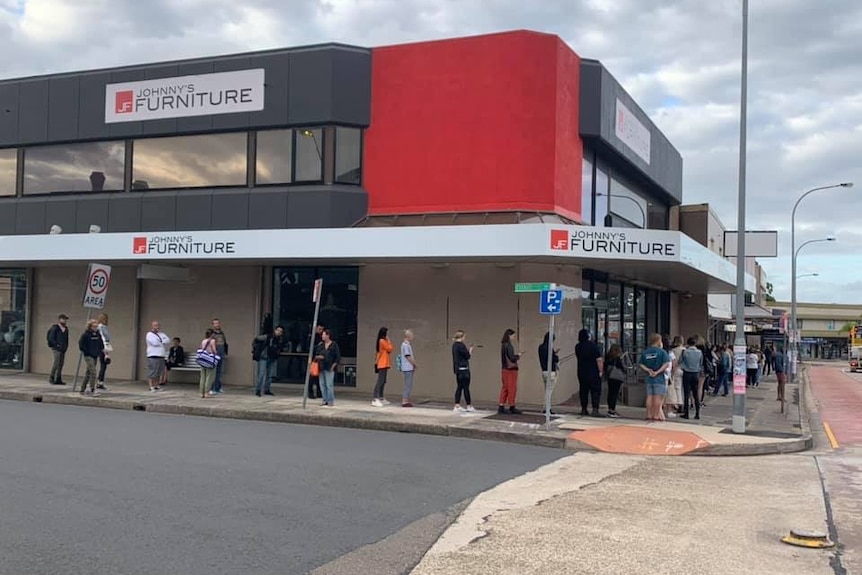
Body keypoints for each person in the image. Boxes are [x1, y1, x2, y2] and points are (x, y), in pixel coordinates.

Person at [639, 333, 671, 422]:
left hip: (649, 377)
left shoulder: (646, 352)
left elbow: (641, 364)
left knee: (649, 396)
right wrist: (657, 372)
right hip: (659, 378)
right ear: (658, 341)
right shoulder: (662, 352)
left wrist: (649, 370)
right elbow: (666, 364)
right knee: (658, 398)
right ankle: (656, 415)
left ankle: (648, 414)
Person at [575, 328, 602, 417]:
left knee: (583, 390)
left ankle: (584, 409)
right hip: (593, 372)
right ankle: (595, 409)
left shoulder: (578, 346)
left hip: (581, 372)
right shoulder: (594, 346)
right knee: (595, 391)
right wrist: (601, 371)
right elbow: (599, 360)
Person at [253, 325, 284, 397]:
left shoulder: (280, 340)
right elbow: (256, 339)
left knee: (269, 375)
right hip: (264, 357)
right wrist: (256, 349)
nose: (279, 332)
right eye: (278, 330)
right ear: (275, 330)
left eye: (280, 331)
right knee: (261, 374)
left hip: (272, 358)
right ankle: (258, 389)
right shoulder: (268, 337)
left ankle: (267, 389)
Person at [679, 336, 704, 420]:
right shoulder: (699, 352)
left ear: (688, 343)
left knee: (686, 394)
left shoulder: (684, 352)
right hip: (696, 374)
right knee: (695, 393)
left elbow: (680, 362)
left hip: (687, 373)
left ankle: (686, 413)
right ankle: (697, 413)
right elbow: (701, 363)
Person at [314, 329, 340, 407]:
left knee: (329, 385)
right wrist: (319, 357)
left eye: (324, 334)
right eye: (322, 335)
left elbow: (337, 357)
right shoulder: (320, 345)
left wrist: (333, 366)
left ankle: (330, 400)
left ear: (328, 335)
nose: (322, 336)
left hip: (330, 367)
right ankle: (324, 400)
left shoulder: (334, 345)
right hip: (321, 367)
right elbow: (316, 354)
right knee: (322, 384)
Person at [78, 319, 104, 396]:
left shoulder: (98, 335)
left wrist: (101, 352)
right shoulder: (86, 335)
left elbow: (101, 344)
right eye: (94, 326)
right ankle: (92, 389)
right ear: (90, 326)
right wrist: (86, 352)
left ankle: (82, 388)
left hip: (95, 355)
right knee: (93, 372)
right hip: (88, 355)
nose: (95, 328)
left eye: (96, 326)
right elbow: (81, 345)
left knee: (88, 373)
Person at [499, 328, 522, 415]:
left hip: (504, 369)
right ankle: (511, 406)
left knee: (505, 387)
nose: (514, 337)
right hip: (511, 370)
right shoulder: (509, 346)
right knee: (512, 388)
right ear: (509, 335)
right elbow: (512, 358)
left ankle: (501, 405)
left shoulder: (503, 345)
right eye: (513, 335)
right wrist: (518, 356)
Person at [451, 330, 475, 413]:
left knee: (459, 387)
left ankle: (457, 405)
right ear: (462, 337)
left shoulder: (454, 346)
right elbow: (467, 356)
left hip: (458, 369)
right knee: (466, 388)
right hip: (464, 369)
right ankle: (469, 405)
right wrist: (471, 350)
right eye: (464, 336)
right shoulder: (461, 345)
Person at [538, 332, 560, 416]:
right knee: (549, 391)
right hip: (551, 372)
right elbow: (555, 359)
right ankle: (547, 408)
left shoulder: (540, 347)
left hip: (544, 371)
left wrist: (554, 353)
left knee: (547, 390)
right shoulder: (550, 348)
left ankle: (546, 408)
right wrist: (555, 354)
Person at [145, 321, 170, 392]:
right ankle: (151, 386)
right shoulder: (149, 334)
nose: (157, 327)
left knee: (159, 372)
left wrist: (160, 341)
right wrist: (162, 341)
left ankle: (156, 385)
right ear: (152, 326)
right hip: (153, 355)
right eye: (155, 325)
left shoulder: (162, 334)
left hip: (161, 355)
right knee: (153, 371)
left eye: (158, 325)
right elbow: (154, 343)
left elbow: (168, 340)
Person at [603, 344, 626, 418]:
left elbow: (605, 366)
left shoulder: (608, 357)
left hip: (610, 377)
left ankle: (610, 409)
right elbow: (622, 368)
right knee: (615, 394)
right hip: (617, 378)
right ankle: (612, 410)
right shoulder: (617, 359)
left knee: (610, 393)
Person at [372, 327, 393, 407]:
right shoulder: (382, 341)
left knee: (383, 381)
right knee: (380, 381)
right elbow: (390, 349)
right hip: (382, 363)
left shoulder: (382, 341)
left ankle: (381, 397)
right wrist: (389, 341)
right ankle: (375, 398)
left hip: (385, 363)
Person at [47, 313, 70, 385]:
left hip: (63, 348)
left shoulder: (66, 329)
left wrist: (66, 346)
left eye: (65, 319)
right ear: (60, 319)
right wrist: (56, 345)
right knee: (56, 363)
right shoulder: (55, 328)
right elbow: (51, 338)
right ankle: (52, 377)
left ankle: (58, 378)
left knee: (61, 364)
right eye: (63, 319)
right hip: (56, 348)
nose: (65, 321)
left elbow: (66, 339)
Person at [210, 318, 229, 394]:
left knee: (220, 372)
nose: (217, 325)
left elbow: (224, 343)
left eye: (217, 323)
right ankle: (212, 388)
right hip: (215, 354)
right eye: (215, 323)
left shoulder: (222, 333)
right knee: (214, 372)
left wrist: (225, 352)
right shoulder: (212, 334)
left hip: (221, 354)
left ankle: (218, 387)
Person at [400, 330, 417, 407]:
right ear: (408, 336)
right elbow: (408, 356)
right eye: (412, 336)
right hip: (408, 367)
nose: (413, 337)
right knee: (408, 384)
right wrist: (414, 363)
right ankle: (405, 400)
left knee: (408, 384)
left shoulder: (406, 345)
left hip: (408, 367)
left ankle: (406, 399)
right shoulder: (406, 345)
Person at [668, 336, 686, 415]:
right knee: (681, 388)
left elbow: (673, 362)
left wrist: (671, 372)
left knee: (676, 388)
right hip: (684, 369)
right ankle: (683, 403)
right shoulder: (685, 350)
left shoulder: (673, 351)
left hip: (675, 370)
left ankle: (678, 404)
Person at [199, 329, 218, 398]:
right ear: (212, 334)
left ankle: (201, 392)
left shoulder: (203, 341)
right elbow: (214, 351)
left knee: (203, 376)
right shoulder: (212, 341)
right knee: (209, 376)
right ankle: (207, 392)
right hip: (209, 360)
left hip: (203, 359)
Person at [95, 313, 112, 391]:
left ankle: (100, 382)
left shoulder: (98, 327)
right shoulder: (102, 327)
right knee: (103, 365)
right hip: (104, 347)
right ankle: (100, 382)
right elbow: (106, 337)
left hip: (100, 347)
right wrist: (106, 352)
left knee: (103, 365)